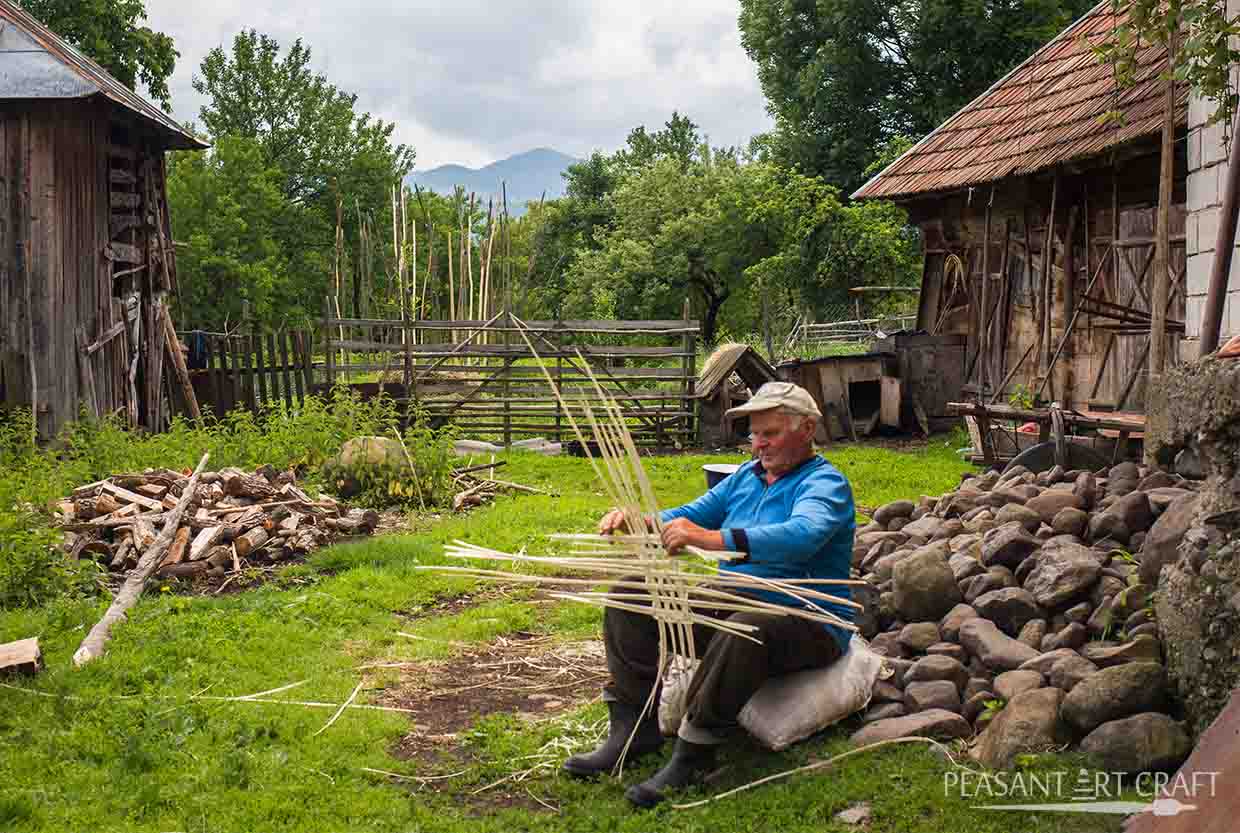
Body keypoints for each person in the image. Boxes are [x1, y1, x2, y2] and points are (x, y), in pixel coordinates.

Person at [562, 381, 857, 808]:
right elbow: (689, 516)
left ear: (807, 429)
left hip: (806, 617)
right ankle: (634, 729)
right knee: (632, 594)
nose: (759, 444)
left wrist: (712, 539)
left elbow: (803, 535)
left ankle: (694, 752)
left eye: (770, 433)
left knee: (747, 626)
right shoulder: (746, 478)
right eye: (755, 433)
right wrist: (641, 519)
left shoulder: (825, 484)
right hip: (734, 599)